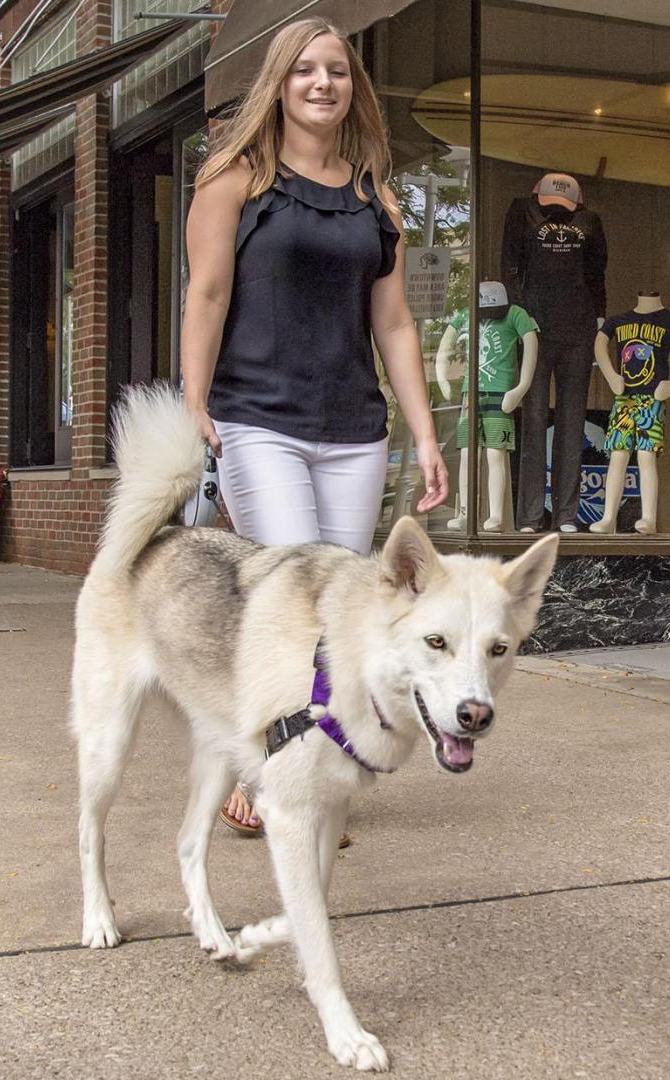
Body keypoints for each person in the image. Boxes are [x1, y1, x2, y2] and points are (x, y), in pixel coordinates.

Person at [180, 18, 448, 838]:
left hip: (352, 429)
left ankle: (310, 769)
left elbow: (396, 324)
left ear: (352, 88)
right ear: (280, 82)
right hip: (258, 421)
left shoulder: (377, 198)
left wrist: (425, 434)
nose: (322, 83)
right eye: (305, 70)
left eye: (336, 70)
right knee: (292, 606)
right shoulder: (234, 180)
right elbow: (208, 295)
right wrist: (195, 400)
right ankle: (262, 772)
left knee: (343, 615)